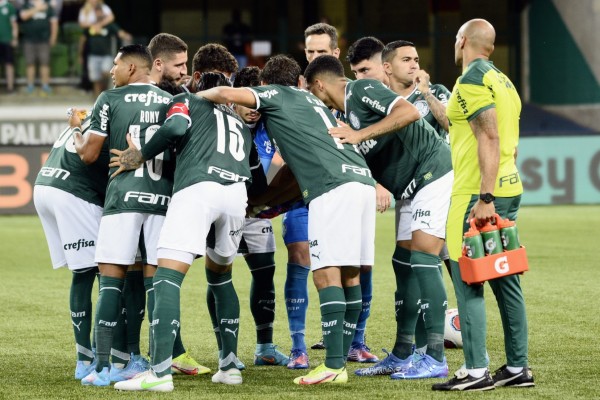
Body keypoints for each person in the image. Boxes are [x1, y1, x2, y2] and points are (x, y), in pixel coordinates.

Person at [197, 54, 377, 386]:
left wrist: (190, 99)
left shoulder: (272, 95)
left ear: (264, 84)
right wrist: (262, 204)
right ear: (298, 81)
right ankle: (342, 359)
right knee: (351, 274)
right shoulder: (312, 101)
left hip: (332, 187)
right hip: (362, 180)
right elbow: (291, 176)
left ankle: (334, 366)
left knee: (326, 275)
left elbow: (223, 94)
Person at [305, 54, 453, 380]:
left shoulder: (360, 90)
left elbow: (409, 111)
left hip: (432, 171)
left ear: (318, 85)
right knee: (403, 264)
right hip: (409, 190)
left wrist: (359, 135)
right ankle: (402, 353)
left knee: (424, 260)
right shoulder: (341, 118)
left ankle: (436, 357)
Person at [112, 70, 252, 391]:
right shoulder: (239, 122)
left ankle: (159, 373)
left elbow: (176, 126)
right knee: (221, 277)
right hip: (236, 193)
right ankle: (229, 367)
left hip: (198, 187)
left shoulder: (186, 99)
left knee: (166, 276)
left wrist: (141, 153)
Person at [432, 19, 534, 391]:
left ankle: (475, 371)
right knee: (505, 277)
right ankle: (518, 368)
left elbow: (488, 136)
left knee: (468, 279)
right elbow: (467, 126)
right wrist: (428, 94)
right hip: (509, 188)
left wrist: (484, 198)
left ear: (461, 41)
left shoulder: (471, 81)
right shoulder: (503, 83)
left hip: (477, 195)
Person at [71, 44, 174, 387]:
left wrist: (76, 130)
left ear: (131, 68)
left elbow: (88, 154)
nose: (111, 71)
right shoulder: (170, 100)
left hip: (123, 198)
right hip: (162, 200)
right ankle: (159, 367)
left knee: (110, 282)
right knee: (159, 284)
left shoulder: (109, 100)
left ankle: (103, 368)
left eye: (115, 65)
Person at [302, 23, 379, 365]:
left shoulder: (355, 94)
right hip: (309, 188)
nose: (314, 56)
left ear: (335, 54)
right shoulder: (303, 92)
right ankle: (298, 345)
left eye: (321, 52)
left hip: (347, 188)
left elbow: (375, 142)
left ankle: (352, 342)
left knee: (355, 266)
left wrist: (378, 182)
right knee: (300, 263)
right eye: (309, 52)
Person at [382, 39, 455, 354]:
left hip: (439, 186)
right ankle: (414, 347)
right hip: (407, 194)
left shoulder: (435, 91)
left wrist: (425, 91)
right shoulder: (382, 100)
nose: (414, 64)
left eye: (416, 58)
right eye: (406, 59)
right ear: (388, 67)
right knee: (407, 263)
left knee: (448, 262)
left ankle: (465, 331)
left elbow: (450, 122)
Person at [146, 32, 212, 377]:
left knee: (156, 274)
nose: (185, 71)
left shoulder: (182, 96)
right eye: (179, 65)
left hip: (170, 196)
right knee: (151, 275)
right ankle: (159, 354)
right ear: (158, 64)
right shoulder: (151, 99)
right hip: (145, 198)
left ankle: (169, 351)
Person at [33, 110, 107, 380]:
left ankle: (88, 353)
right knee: (99, 270)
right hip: (73, 191)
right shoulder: (118, 112)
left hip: (45, 185)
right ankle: (88, 357)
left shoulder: (91, 113)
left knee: (86, 270)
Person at [231, 66, 290, 368]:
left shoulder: (271, 125)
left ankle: (264, 346)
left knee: (265, 274)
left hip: (257, 213)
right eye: (247, 102)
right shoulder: (225, 124)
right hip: (226, 209)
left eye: (257, 103)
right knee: (219, 277)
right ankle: (226, 352)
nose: (253, 110)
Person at [78, 0, 131, 97]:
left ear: (103, 12)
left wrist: (127, 36)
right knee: (95, 79)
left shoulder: (109, 25)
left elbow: (120, 32)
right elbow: (83, 40)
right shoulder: (90, 26)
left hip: (106, 55)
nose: (98, 13)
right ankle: (97, 99)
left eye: (100, 11)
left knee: (106, 73)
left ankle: (104, 92)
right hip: (93, 55)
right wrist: (80, 54)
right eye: (96, 12)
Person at [18, 0, 58, 95]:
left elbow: (54, 22)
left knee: (45, 63)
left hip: (44, 40)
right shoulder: (26, 4)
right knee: (30, 64)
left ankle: (45, 85)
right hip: (29, 39)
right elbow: (23, 16)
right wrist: (38, 9)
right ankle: (30, 86)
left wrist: (53, 37)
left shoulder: (48, 5)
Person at [0, 0, 18, 93]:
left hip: (6, 39)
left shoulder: (9, 7)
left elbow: (14, 24)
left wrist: (14, 38)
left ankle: (10, 87)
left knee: (9, 64)